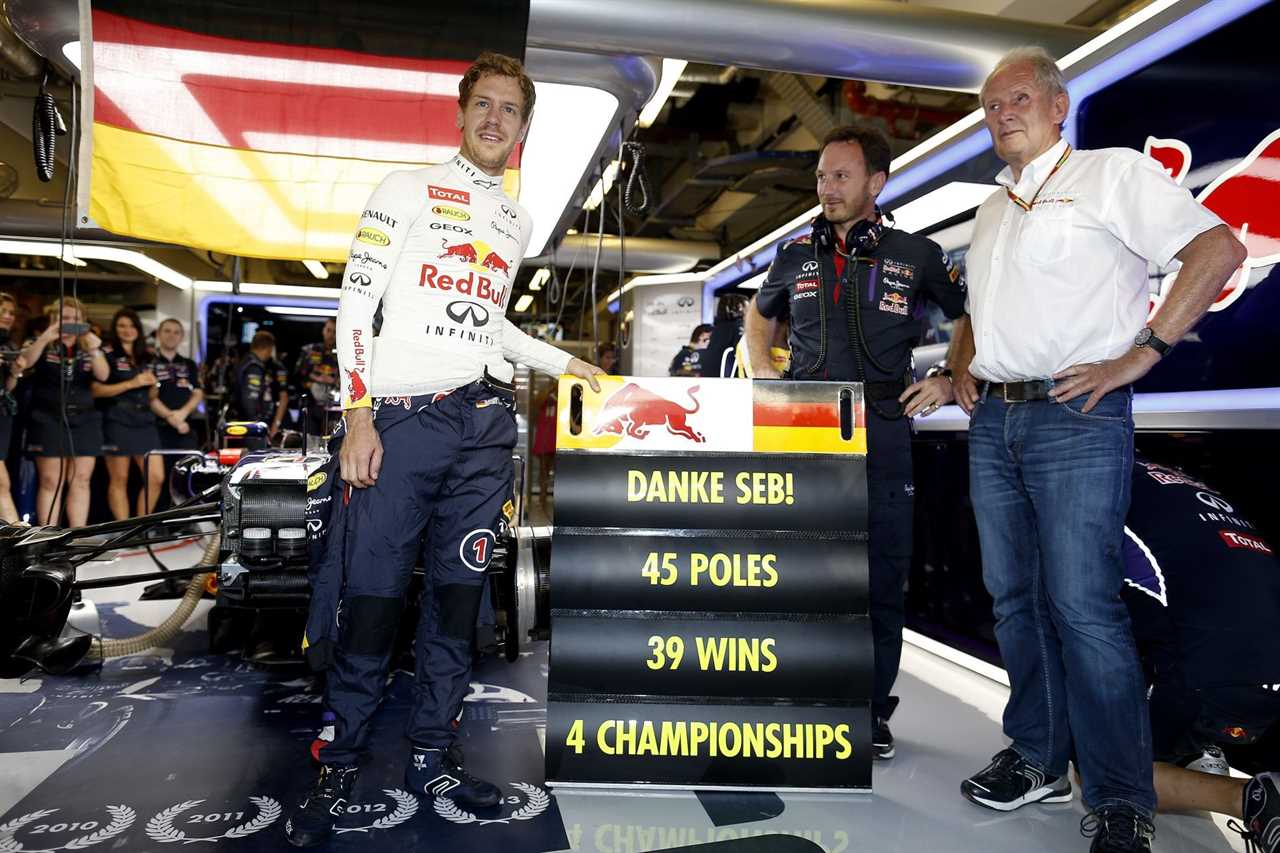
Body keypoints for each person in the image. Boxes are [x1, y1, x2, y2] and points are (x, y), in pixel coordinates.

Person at [285, 51, 604, 847]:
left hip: (482, 429)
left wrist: (566, 361)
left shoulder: (516, 221)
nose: (497, 119)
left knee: (458, 602)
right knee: (374, 598)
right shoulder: (407, 189)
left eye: (512, 110)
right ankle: (343, 750)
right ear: (461, 114)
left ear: (525, 129)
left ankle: (432, 751)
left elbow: (486, 322)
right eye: (484, 105)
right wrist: (357, 412)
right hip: (399, 422)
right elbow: (355, 300)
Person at [947, 47, 1247, 852]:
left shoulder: (1113, 174)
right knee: (1013, 598)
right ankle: (1040, 756)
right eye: (990, 105)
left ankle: (1120, 794)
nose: (1001, 112)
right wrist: (958, 364)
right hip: (995, 422)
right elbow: (979, 304)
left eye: (1016, 98)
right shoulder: (993, 209)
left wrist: (1141, 353)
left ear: (1056, 104)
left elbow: (1218, 249)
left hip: (1079, 417)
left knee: (1083, 606)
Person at [744, 123, 968, 762]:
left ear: (876, 182)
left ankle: (870, 708)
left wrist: (952, 377)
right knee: (797, 569)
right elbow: (760, 315)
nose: (827, 188)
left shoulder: (915, 254)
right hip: (806, 426)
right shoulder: (795, 255)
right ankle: (800, 695)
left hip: (885, 430)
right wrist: (763, 368)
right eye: (820, 176)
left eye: (841, 176)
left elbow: (969, 314)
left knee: (881, 574)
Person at [1116, 457, 1280, 850]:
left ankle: (1252, 799)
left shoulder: (1096, 492)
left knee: (1101, 776)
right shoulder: (1176, 482)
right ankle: (1198, 744)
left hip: (1220, 683)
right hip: (1260, 671)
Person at [19, 297, 109, 527]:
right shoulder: (39, 341)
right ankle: (47, 538)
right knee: (51, 480)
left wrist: (95, 348)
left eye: (75, 319)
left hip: (85, 419)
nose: (69, 323)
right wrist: (46, 336)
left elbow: (103, 375)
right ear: (53, 318)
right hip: (47, 418)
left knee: (80, 479)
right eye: (64, 318)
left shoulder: (88, 346)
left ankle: (77, 535)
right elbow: (25, 363)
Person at [92, 308, 164, 519]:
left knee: (156, 478)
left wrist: (153, 386)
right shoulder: (107, 355)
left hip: (145, 420)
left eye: (132, 326)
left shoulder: (147, 355)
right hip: (117, 419)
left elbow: (151, 396)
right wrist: (132, 383)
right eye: (122, 326)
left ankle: (140, 527)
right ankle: (123, 529)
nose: (127, 330)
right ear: (114, 329)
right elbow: (96, 390)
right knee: (119, 478)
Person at [150, 318, 204, 453]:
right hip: (155, 428)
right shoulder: (148, 362)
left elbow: (198, 393)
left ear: (181, 337)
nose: (171, 335)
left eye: (176, 332)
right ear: (158, 334)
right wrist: (170, 417)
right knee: (157, 474)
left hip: (185, 426)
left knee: (186, 471)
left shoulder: (189, 364)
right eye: (167, 331)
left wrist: (182, 413)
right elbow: (147, 396)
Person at [231, 331, 288, 439]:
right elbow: (250, 400)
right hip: (252, 426)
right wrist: (258, 427)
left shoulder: (244, 362)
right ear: (268, 348)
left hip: (243, 423)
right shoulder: (254, 367)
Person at [292, 318, 339, 437]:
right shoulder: (309, 351)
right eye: (328, 330)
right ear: (323, 330)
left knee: (332, 441)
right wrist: (316, 379)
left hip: (334, 408)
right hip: (310, 406)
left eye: (334, 331)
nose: (331, 335)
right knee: (308, 441)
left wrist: (334, 380)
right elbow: (296, 376)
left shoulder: (342, 354)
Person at [0, 293, 21, 521]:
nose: (8, 317)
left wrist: (15, 372)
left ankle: (16, 539)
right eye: (3, 311)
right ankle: (18, 538)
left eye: (11, 313)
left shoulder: (8, 343)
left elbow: (8, 387)